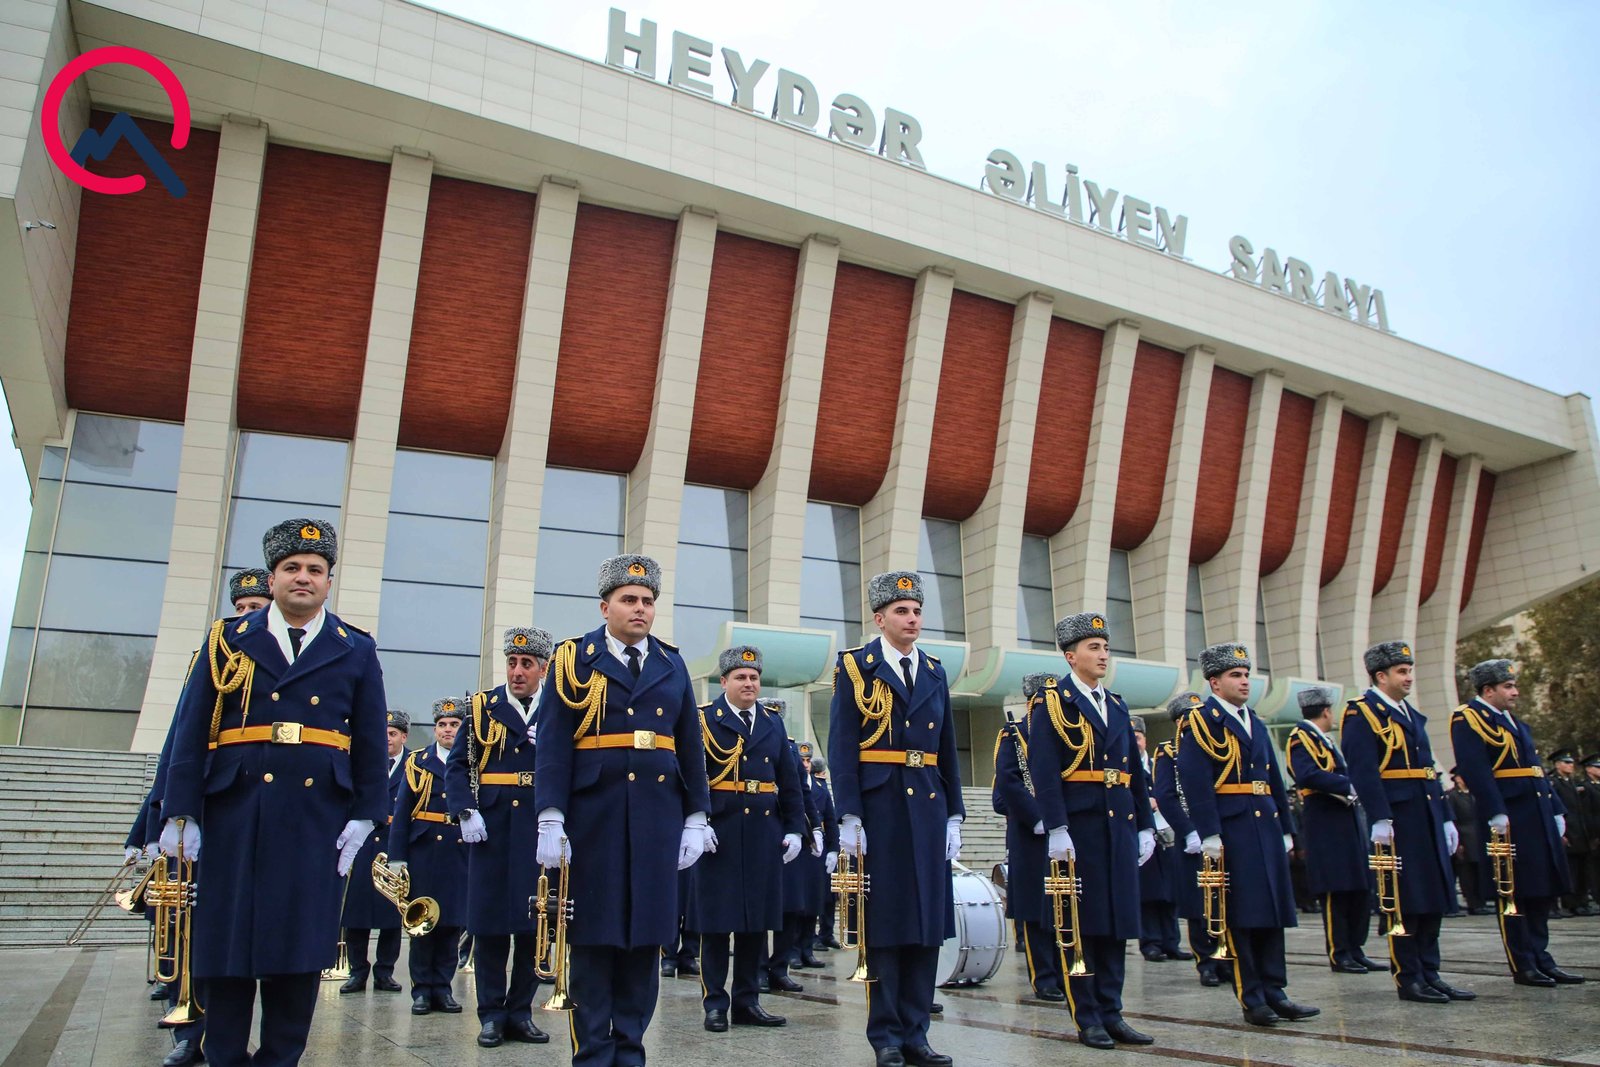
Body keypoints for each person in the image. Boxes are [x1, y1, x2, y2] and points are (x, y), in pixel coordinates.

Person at [159, 518, 388, 1067]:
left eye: (315, 570)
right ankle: (225, 1055)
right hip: (235, 808)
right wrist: (179, 814)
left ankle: (282, 1056)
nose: (303, 578)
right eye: (292, 569)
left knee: (299, 945)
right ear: (273, 578)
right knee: (227, 943)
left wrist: (366, 815)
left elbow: (370, 739)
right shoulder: (227, 639)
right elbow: (191, 731)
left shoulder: (353, 647)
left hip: (315, 817)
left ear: (329, 581)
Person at [534, 555, 714, 1067]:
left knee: (644, 941)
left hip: (657, 817)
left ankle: (630, 1051)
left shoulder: (671, 662)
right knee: (593, 941)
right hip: (595, 817)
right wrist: (550, 814)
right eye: (629, 600)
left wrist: (697, 815)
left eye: (648, 601)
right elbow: (553, 745)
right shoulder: (573, 658)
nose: (640, 609)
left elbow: (689, 745)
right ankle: (592, 1053)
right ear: (605, 605)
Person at [828, 571, 964, 1067]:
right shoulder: (855, 667)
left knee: (927, 923)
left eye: (917, 611)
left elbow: (946, 746)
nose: (911, 619)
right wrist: (848, 814)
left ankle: (917, 1033)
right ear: (880, 618)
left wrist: (955, 813)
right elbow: (842, 745)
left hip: (927, 806)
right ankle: (885, 1034)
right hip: (880, 806)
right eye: (902, 611)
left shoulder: (933, 669)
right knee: (885, 923)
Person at [1029, 613, 1156, 1050]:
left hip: (1118, 825)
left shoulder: (1117, 704)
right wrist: (1057, 827)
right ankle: (1088, 1017)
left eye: (1105, 647)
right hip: (1080, 826)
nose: (1103, 655)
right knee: (1080, 924)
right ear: (1071, 656)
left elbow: (1133, 773)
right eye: (1093, 648)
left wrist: (1145, 825)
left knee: (1116, 922)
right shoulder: (1051, 702)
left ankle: (1113, 1010)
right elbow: (1044, 770)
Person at [1176, 643, 1317, 1028]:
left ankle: (1276, 990)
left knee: (1271, 911)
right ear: (1214, 682)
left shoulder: (1252, 719)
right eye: (1235, 676)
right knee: (1241, 914)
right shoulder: (1200, 721)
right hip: (1232, 826)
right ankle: (1252, 997)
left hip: (1265, 825)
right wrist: (1209, 833)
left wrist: (1286, 828)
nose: (1244, 682)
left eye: (1245, 675)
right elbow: (1196, 781)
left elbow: (1272, 777)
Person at [444, 627, 554, 1048]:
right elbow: (458, 765)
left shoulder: (558, 707)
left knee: (533, 925)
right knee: (488, 926)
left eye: (527, 664)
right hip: (489, 828)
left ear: (543, 668)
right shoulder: (481, 706)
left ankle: (519, 1012)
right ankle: (490, 1014)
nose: (517, 671)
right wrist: (464, 810)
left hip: (536, 825)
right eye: (512, 662)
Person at [691, 647, 804, 1032]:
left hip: (763, 834)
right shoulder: (704, 720)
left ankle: (747, 1001)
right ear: (724, 682)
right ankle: (715, 1004)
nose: (749, 683)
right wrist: (697, 820)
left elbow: (790, 783)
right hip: (719, 834)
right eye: (740, 677)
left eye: (754, 677)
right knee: (717, 925)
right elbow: (690, 776)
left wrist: (795, 829)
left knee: (756, 924)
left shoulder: (772, 724)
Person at [1451, 659, 1584, 986]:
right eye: (1508, 687)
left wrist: (1554, 808)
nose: (1515, 691)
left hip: (1534, 812)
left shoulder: (1514, 722)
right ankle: (1522, 962)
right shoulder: (1469, 718)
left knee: (1540, 888)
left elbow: (1535, 768)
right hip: (1509, 816)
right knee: (1514, 891)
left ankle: (1541, 957)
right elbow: (1476, 769)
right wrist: (1496, 811)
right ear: (1488, 690)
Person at [1286, 687, 1381, 975]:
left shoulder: (1325, 740)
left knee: (1358, 888)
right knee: (1337, 890)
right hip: (1326, 821)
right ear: (1326, 711)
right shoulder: (1300, 737)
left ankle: (1356, 948)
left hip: (1347, 819)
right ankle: (1340, 953)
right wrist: (1347, 784)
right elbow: (1306, 774)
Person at [388, 697, 469, 1015]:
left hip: (458, 850)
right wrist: (397, 858)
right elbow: (402, 811)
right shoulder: (417, 763)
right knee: (422, 926)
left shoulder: (469, 762)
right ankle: (421, 991)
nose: (448, 729)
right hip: (424, 852)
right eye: (442, 724)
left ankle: (443, 989)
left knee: (450, 926)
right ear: (435, 729)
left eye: (454, 724)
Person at [990, 673, 1064, 1001]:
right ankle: (1044, 976)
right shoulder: (1013, 734)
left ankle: (1065, 971)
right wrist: (1035, 817)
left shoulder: (1067, 732)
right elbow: (1008, 781)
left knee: (1062, 904)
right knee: (1036, 908)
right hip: (1030, 835)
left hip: (1062, 832)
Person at [1152, 692, 1230, 988]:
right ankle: (1207, 961)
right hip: (1192, 839)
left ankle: (1226, 956)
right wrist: (1188, 831)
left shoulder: (1217, 747)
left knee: (1223, 898)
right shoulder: (1168, 752)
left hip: (1220, 834)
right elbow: (1167, 797)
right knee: (1199, 906)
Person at [339, 709, 409, 995]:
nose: (387, 739)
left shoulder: (413, 765)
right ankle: (357, 971)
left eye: (393, 733)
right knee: (356, 913)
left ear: (404, 736)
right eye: (384, 733)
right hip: (364, 845)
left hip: (394, 843)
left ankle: (385, 971)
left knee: (392, 913)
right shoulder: (364, 764)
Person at [767, 730, 823, 992]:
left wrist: (817, 829)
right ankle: (757, 970)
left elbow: (802, 791)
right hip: (763, 828)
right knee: (762, 908)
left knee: (791, 906)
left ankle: (780, 967)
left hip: (791, 834)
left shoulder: (789, 747)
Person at [1133, 715, 1186, 965]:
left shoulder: (1156, 764)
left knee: (1170, 891)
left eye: (1139, 737)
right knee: (1149, 893)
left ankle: (1171, 942)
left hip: (1168, 833)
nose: (1136, 742)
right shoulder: (1127, 768)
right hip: (1143, 833)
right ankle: (1151, 943)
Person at [1549, 751, 1594, 915]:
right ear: (1557, 764)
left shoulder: (1574, 783)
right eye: (1566, 763)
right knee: (1571, 870)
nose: (1571, 765)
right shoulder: (1554, 783)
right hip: (1567, 831)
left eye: (1571, 763)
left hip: (1580, 832)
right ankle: (1571, 903)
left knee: (1582, 870)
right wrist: (1562, 833)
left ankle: (1582, 901)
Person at [1446, 770, 1489, 914]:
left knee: (1479, 871)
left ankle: (1481, 901)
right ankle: (1473, 903)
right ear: (1457, 778)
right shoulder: (1453, 796)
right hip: (1464, 837)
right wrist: (1458, 843)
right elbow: (1453, 820)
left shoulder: (1473, 794)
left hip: (1477, 836)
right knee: (1467, 873)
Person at [813, 756, 842, 951]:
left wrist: (834, 848)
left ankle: (827, 932)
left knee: (829, 894)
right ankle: (810, 938)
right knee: (814, 895)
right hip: (811, 844)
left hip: (824, 842)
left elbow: (830, 818)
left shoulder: (822, 787)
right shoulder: (805, 785)